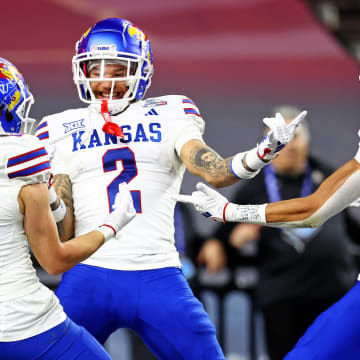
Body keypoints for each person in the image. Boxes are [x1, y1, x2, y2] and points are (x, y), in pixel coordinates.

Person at [34, 18, 306, 359]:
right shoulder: (58, 128)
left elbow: (216, 172)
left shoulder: (170, 112)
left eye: (117, 69)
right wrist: (48, 198)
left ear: (141, 71)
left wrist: (262, 153)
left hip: (157, 273)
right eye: (94, 69)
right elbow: (67, 231)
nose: (105, 81)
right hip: (89, 271)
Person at [188, 106, 358, 360]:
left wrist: (229, 211)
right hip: (283, 296)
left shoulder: (326, 172)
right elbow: (313, 211)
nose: (290, 147)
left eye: (296, 138)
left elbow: (313, 212)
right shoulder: (255, 188)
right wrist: (222, 237)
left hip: (334, 288)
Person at [0, 57, 136, 360]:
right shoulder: (23, 167)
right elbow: (55, 260)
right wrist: (111, 226)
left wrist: (49, 193)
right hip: (27, 325)